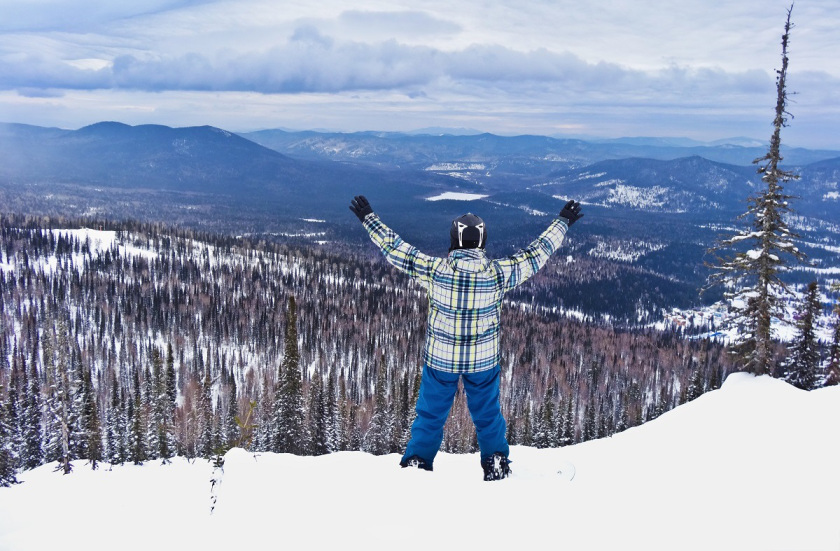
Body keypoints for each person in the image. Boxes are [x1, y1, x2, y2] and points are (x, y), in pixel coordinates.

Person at [349, 195, 583, 480]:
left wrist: (368, 218)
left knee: (431, 415)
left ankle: (417, 464)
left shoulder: (435, 271)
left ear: (454, 242)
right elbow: (536, 254)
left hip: (441, 361)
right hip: (483, 362)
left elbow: (397, 249)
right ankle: (495, 460)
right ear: (482, 242)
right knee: (488, 415)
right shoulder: (498, 274)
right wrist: (562, 222)